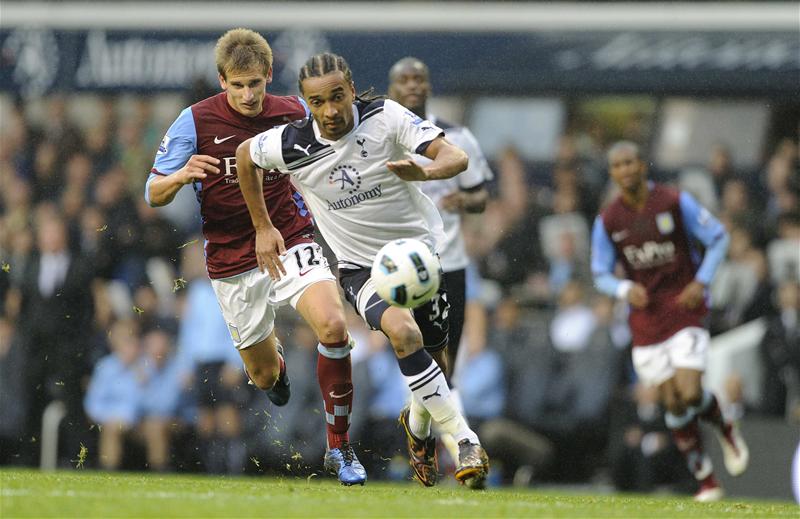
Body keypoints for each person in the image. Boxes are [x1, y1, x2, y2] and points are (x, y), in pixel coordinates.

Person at [235, 52, 489, 489]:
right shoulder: (292, 143)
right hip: (360, 269)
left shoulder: (386, 117)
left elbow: (456, 158)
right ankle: (465, 440)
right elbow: (245, 156)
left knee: (439, 367)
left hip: (421, 257)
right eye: (318, 102)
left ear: (352, 89)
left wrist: (424, 170)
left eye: (338, 97)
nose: (330, 111)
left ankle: (419, 427)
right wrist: (262, 226)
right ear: (305, 102)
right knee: (404, 335)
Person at [144, 29, 365, 485]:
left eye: (255, 84)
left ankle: (340, 449)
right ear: (222, 80)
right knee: (263, 377)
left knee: (334, 326)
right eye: (237, 85)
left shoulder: (294, 111)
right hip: (231, 259)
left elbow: (339, 144)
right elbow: (153, 193)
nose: (247, 95)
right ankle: (276, 368)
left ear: (268, 75)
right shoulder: (194, 122)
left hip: (289, 238)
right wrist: (183, 174)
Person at [591, 141, 749, 502]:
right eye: (618, 166)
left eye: (631, 162)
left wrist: (701, 280)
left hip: (683, 308)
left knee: (690, 391)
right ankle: (705, 478)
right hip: (646, 321)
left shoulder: (675, 202)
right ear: (613, 173)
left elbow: (718, 238)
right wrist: (622, 288)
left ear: (642, 166)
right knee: (673, 404)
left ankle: (725, 427)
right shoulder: (608, 221)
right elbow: (599, 273)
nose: (626, 170)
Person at [387, 58, 493, 473]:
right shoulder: (381, 138)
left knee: (442, 362)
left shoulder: (458, 135)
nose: (412, 86)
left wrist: (461, 201)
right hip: (398, 267)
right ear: (392, 87)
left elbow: (480, 195)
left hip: (449, 263)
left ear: (429, 86)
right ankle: (463, 451)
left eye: (419, 79)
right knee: (419, 356)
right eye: (404, 80)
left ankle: (421, 434)